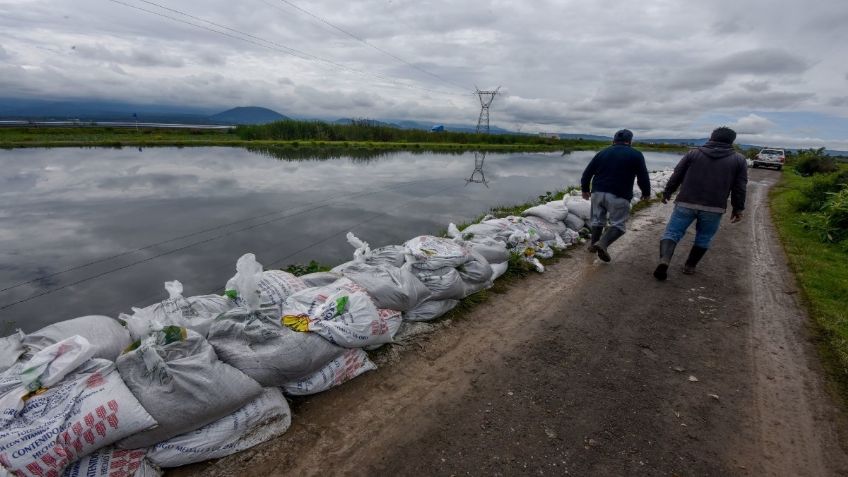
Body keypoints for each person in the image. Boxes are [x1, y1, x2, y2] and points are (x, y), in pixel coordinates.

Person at [653, 126, 747, 281]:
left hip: (686, 202)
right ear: (732, 141)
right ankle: (690, 266)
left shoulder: (693, 153)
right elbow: (740, 187)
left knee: (671, 233)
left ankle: (665, 260)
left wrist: (668, 192)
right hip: (714, 207)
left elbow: (678, 174)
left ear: (711, 137)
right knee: (704, 237)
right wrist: (738, 208)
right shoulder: (739, 160)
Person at [580, 129, 651, 262]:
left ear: (613, 140)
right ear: (630, 141)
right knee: (618, 225)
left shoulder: (602, 153)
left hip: (598, 193)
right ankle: (602, 244)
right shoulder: (636, 155)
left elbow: (587, 173)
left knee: (597, 220)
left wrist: (585, 189)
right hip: (619, 195)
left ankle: (593, 245)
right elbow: (643, 177)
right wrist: (646, 193)